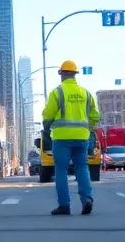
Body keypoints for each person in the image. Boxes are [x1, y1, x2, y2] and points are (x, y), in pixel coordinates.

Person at [41, 59, 101, 216]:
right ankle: (87, 198)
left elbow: (48, 114)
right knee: (82, 168)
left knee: (61, 170)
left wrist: (46, 126)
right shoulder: (86, 94)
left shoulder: (57, 92)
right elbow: (95, 116)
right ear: (75, 74)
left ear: (61, 74)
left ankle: (64, 205)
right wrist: (89, 128)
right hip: (82, 138)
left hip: (61, 138)